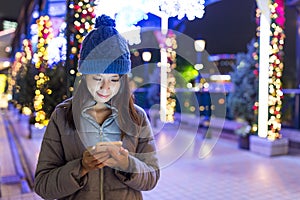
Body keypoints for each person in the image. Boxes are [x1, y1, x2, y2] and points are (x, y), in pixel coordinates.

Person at [34, 15, 160, 200]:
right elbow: (43, 185)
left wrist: (127, 165)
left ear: (123, 80)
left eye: (114, 79)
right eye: (98, 78)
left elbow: (152, 177)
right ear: (84, 77)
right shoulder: (62, 116)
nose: (105, 88)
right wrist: (81, 166)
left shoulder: (137, 117)